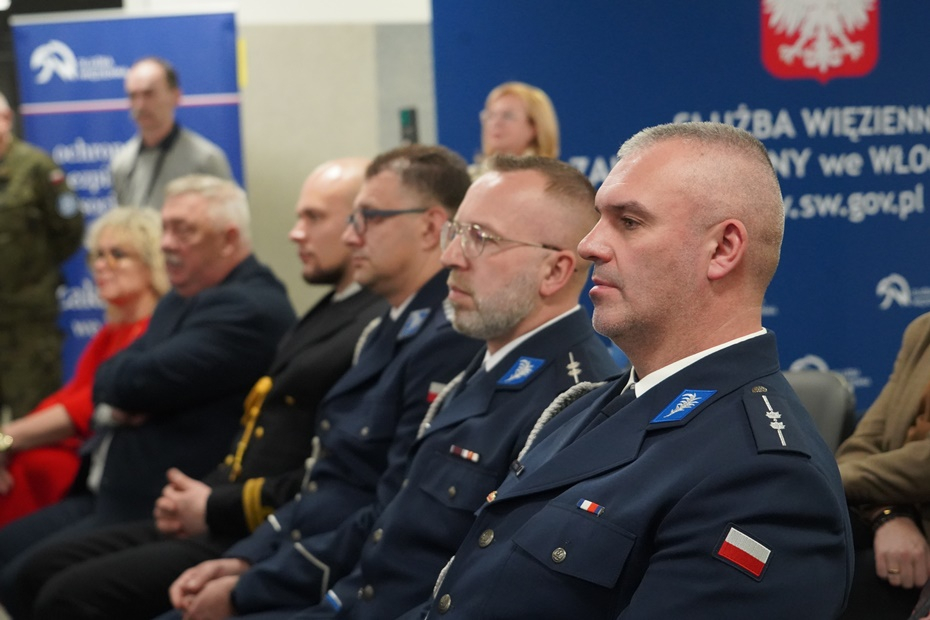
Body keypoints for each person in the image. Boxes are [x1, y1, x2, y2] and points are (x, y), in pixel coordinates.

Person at [407, 122, 854, 620]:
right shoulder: (587, 405)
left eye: (629, 222)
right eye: (600, 219)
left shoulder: (767, 480)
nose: (589, 246)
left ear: (723, 249)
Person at [18, 146, 483, 619]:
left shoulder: (430, 336)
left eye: (367, 218)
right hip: (273, 531)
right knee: (38, 575)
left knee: (68, 592)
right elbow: (328, 480)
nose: (350, 235)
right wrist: (248, 558)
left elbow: (380, 505)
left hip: (321, 561)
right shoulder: (377, 326)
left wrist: (248, 577)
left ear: (429, 227)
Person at [161, 155, 620, 620]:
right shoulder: (485, 364)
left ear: (554, 272)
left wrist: (250, 592)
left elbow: (490, 589)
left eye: (481, 238)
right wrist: (251, 574)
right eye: (456, 232)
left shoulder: (570, 397)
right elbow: (389, 518)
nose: (450, 256)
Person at [0, 174, 295, 616]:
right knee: (15, 565)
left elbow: (129, 384)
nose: (168, 243)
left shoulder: (248, 306)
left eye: (184, 230)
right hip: (113, 492)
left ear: (229, 239)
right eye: (166, 228)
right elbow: (108, 380)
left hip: (164, 504)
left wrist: (126, 395)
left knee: (47, 585)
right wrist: (124, 395)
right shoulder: (181, 299)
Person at [0, 206, 166, 528]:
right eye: (97, 256)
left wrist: (6, 438)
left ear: (152, 263)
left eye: (117, 255)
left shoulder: (155, 330)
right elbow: (66, 398)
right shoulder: (111, 332)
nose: (101, 266)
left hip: (111, 482)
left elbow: (87, 406)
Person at [834, 312, 930, 620]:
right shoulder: (923, 331)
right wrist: (887, 513)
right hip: (896, 515)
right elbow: (861, 445)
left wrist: (825, 477)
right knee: (802, 550)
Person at [0, 91, 84, 420]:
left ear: (7, 119)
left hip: (28, 322)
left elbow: (69, 229)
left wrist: (34, 276)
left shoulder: (37, 167)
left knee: (34, 419)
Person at [110, 57, 232, 209]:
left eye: (149, 94)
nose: (140, 105)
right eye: (133, 96)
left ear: (175, 96)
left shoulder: (205, 160)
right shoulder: (121, 162)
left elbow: (226, 217)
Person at [471, 81, 559, 177]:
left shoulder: (550, 180)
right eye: (491, 115)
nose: (496, 122)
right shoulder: (469, 177)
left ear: (534, 127)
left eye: (507, 116)